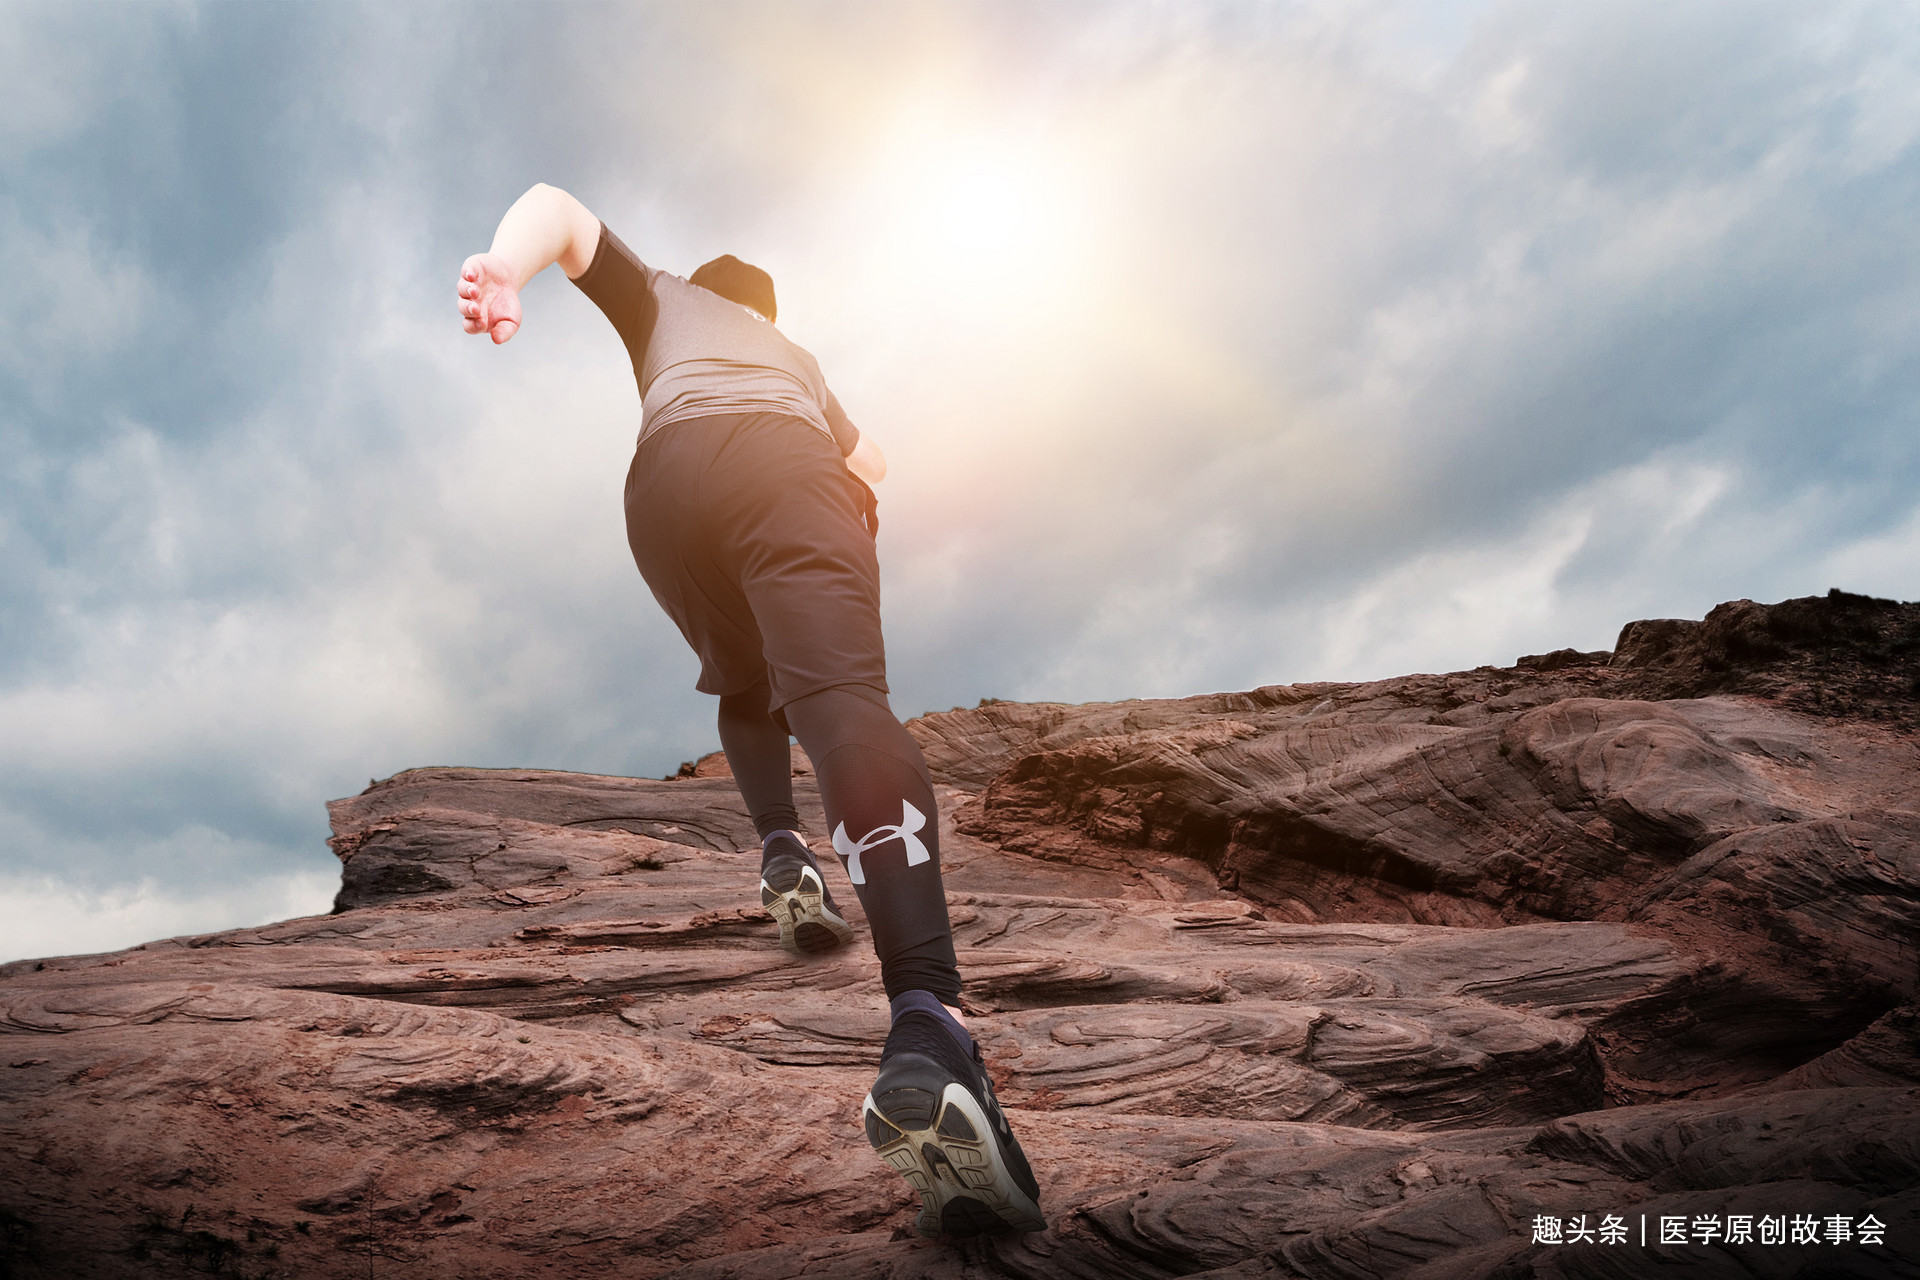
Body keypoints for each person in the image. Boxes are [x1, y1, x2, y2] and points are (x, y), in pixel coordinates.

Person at [457, 183, 1043, 1238]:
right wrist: (847, 486)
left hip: (664, 491)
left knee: (741, 682)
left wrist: (504, 268)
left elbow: (557, 209)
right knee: (841, 700)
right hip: (782, 462)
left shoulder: (663, 304)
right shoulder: (795, 358)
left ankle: (781, 846)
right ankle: (930, 1021)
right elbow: (872, 465)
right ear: (767, 310)